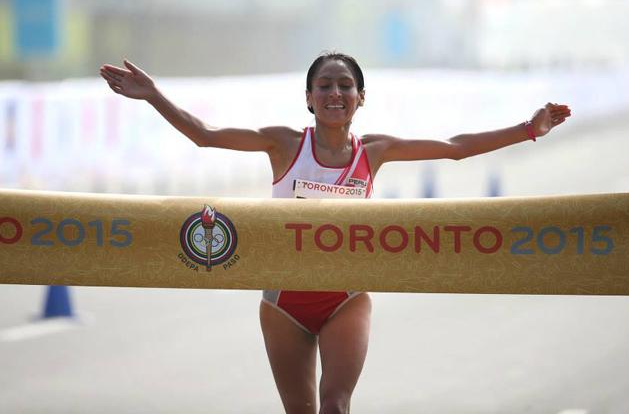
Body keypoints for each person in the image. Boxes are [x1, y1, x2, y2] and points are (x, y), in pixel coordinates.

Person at [100, 53, 571, 414]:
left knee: (335, 407)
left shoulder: (376, 151)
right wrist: (154, 95)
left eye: (346, 85)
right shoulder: (283, 143)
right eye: (324, 85)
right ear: (308, 98)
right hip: (283, 303)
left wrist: (529, 128)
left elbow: (454, 149)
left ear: (361, 97)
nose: (335, 93)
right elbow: (205, 134)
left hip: (346, 297)